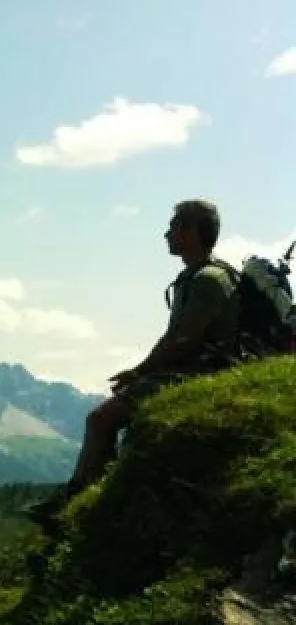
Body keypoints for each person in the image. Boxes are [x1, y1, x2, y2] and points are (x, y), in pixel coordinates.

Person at [27, 199, 241, 533]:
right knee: (104, 417)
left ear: (190, 231)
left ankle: (76, 500)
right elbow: (175, 338)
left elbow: (185, 341)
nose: (167, 234)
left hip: (202, 373)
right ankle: (83, 491)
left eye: (174, 227)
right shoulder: (202, 276)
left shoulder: (208, 280)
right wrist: (141, 370)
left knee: (99, 419)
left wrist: (142, 372)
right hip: (196, 368)